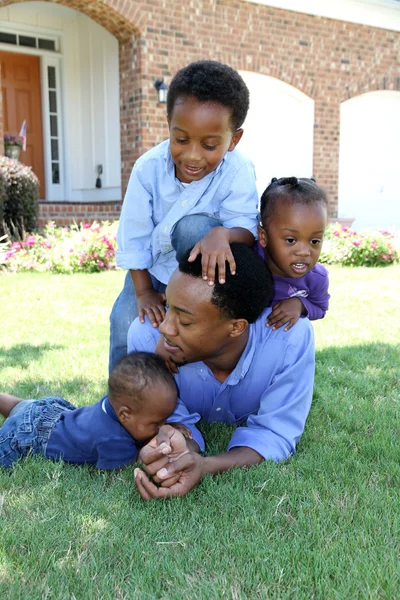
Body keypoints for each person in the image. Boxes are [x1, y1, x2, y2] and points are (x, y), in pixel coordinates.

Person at [127, 243, 315, 500]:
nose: (165, 328)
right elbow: (170, 419)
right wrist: (179, 444)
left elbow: (277, 432)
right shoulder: (146, 338)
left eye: (184, 320)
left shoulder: (290, 338)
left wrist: (207, 466)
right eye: (169, 307)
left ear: (236, 327)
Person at [109, 60, 259, 372]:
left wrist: (225, 235)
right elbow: (134, 237)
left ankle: (190, 373)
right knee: (124, 322)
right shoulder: (148, 169)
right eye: (181, 139)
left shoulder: (238, 171)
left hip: (199, 277)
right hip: (151, 272)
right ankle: (125, 398)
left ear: (233, 140)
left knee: (196, 227)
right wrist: (143, 292)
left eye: (209, 145)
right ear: (169, 124)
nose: (192, 155)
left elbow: (246, 227)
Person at [0, 352, 177, 470]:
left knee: (20, 407)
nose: (162, 426)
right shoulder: (113, 439)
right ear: (125, 415)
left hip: (50, 409)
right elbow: (126, 469)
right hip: (34, 436)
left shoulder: (111, 406)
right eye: (156, 423)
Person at [255, 176, 330, 332]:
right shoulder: (247, 262)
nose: (304, 252)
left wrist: (301, 305)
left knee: (302, 327)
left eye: (314, 241)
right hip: (240, 338)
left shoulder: (316, 278)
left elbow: (321, 308)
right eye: (291, 240)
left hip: (278, 337)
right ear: (263, 236)